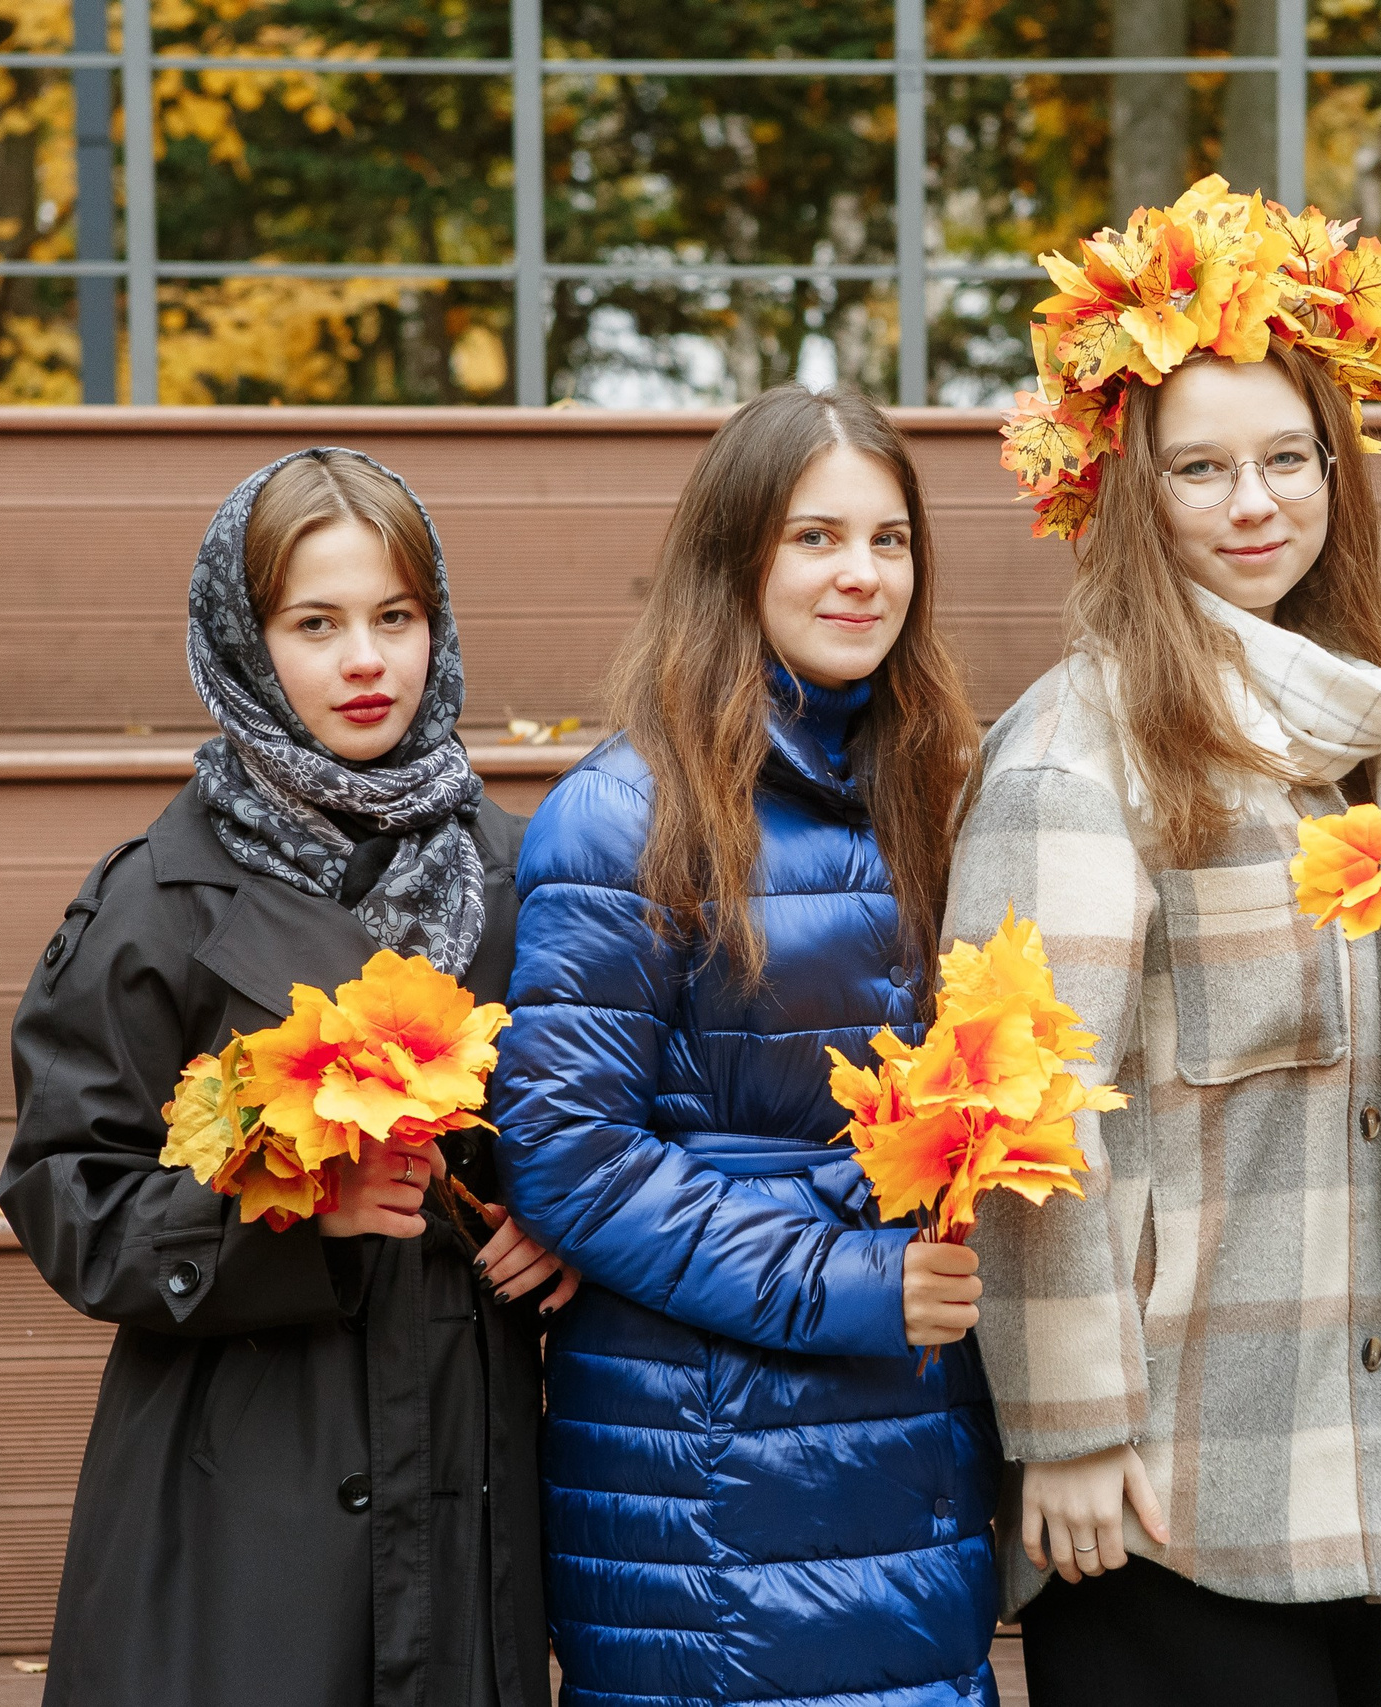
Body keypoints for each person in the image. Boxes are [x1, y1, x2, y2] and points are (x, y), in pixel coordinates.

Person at [945, 175, 1381, 1707]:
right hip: (1164, 1479)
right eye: (1201, 469)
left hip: (1334, 1461)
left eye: (1287, 456)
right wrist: (1065, 1425)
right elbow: (1026, 1116)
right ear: (1130, 491)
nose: (1253, 500)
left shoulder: (1369, 733)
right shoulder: (1083, 755)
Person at [0, 447, 575, 1706]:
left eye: (395, 618)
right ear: (244, 644)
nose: (365, 661)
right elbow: (65, 1190)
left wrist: (568, 1222)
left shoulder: (526, 874)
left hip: (468, 1481)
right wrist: (285, 1216)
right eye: (315, 625)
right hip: (236, 1492)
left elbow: (599, 1118)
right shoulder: (156, 899)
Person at [487, 385, 999, 1707]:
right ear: (736, 557)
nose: (860, 573)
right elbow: (568, 1153)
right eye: (815, 537)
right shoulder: (623, 814)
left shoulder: (933, 789)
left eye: (890, 541)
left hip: (909, 1431)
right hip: (703, 1453)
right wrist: (848, 1280)